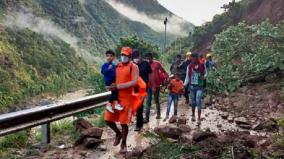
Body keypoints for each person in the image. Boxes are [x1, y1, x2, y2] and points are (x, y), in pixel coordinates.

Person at [104, 47, 139, 153]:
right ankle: (118, 134)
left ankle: (123, 144)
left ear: (130, 56)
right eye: (122, 55)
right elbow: (111, 77)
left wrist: (118, 86)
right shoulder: (117, 66)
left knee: (124, 123)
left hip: (127, 99)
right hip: (116, 98)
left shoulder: (134, 67)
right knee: (107, 119)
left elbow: (134, 82)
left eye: (126, 55)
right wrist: (109, 85)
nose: (123, 57)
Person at [144, 52, 168, 122]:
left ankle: (158, 114)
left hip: (156, 85)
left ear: (152, 57)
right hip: (148, 86)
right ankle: (147, 118)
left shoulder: (157, 63)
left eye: (149, 58)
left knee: (156, 100)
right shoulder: (145, 65)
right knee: (148, 101)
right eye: (147, 58)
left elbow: (163, 71)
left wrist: (167, 77)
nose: (148, 59)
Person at [132, 50, 152, 131]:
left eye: (137, 56)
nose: (136, 58)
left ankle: (138, 125)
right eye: (134, 57)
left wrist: (150, 85)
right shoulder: (132, 65)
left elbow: (150, 74)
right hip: (134, 88)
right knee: (138, 106)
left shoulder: (146, 64)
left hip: (143, 89)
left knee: (139, 105)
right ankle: (139, 123)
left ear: (140, 56)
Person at [184, 53, 206, 125]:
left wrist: (204, 76)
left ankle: (199, 119)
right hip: (192, 87)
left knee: (198, 100)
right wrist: (184, 85)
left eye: (194, 58)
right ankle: (193, 115)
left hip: (200, 86)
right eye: (192, 58)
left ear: (197, 58)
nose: (193, 60)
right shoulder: (189, 66)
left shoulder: (202, 65)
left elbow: (206, 73)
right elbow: (187, 77)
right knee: (193, 102)